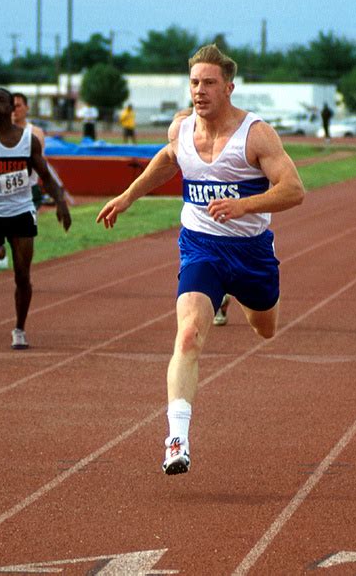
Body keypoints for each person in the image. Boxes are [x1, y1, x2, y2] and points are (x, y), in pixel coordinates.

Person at [96, 44, 305, 475]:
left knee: (264, 329)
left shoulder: (256, 134)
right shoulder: (181, 130)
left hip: (251, 252)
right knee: (189, 336)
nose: (200, 91)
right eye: (194, 82)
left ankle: (241, 296)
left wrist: (245, 206)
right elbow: (169, 161)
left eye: (209, 83)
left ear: (228, 87)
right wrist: (128, 196)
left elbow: (294, 190)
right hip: (200, 245)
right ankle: (176, 439)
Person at [0, 87, 71, 349]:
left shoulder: (28, 141)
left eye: (0, 100)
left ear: (12, 108)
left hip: (21, 212)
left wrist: (60, 203)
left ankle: (19, 329)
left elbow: (45, 175)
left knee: (22, 276)